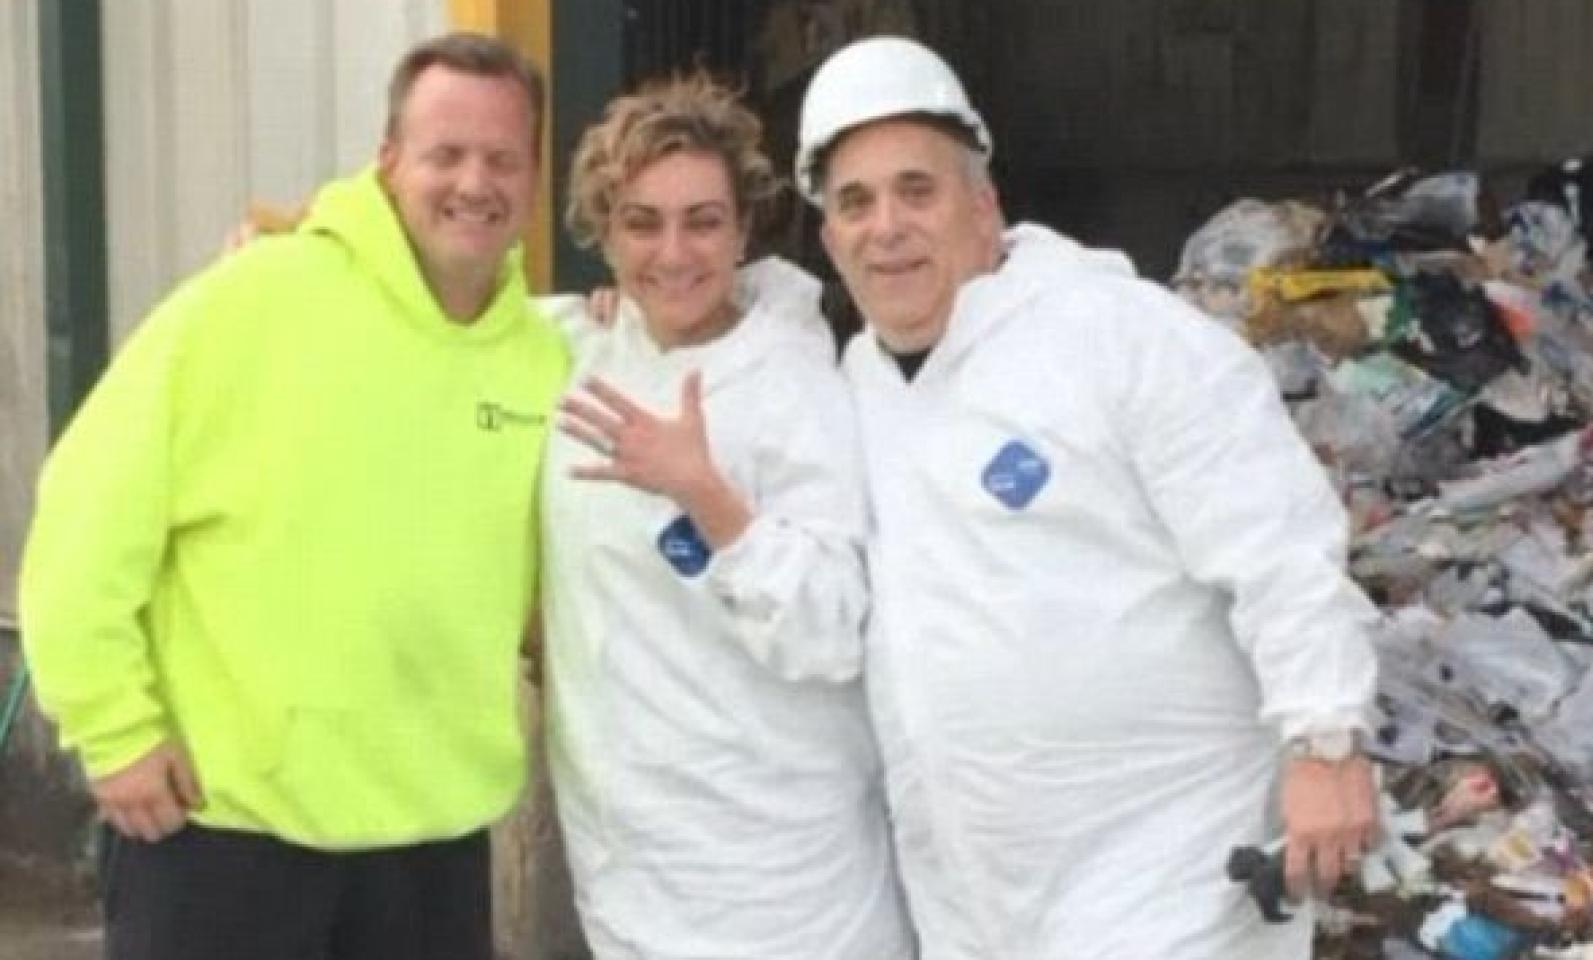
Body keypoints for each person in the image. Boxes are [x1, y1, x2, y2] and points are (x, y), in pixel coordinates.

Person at [793, 36, 1382, 959]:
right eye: (855, 204)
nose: (886, 226)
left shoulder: (1122, 336)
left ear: (982, 205)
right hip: (977, 895)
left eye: (918, 190)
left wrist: (1326, 743)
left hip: (1167, 871)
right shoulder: (856, 380)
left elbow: (1276, 543)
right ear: (829, 240)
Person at [18, 33, 565, 960]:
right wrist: (112, 729)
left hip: (432, 843)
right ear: (388, 162)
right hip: (223, 832)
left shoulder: (542, 362)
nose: (475, 182)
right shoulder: (256, 299)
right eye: (445, 154)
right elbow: (88, 505)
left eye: (502, 158)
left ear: (534, 177)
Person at [538, 72, 912, 960]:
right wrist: (292, 245)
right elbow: (430, 321)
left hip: (785, 881)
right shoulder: (573, 350)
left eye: (703, 221)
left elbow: (832, 631)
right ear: (603, 233)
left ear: (744, 229)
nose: (674, 253)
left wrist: (707, 497)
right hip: (631, 873)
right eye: (642, 222)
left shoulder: (795, 384)